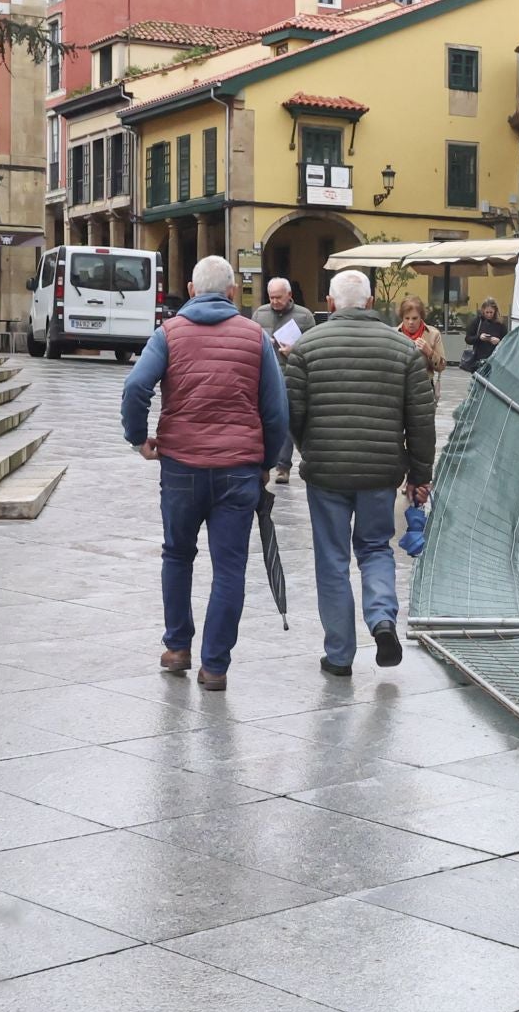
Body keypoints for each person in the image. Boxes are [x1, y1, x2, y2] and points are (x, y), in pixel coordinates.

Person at [121, 255, 288, 692]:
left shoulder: (169, 333)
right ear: (233, 292)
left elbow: (136, 386)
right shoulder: (256, 336)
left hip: (180, 465)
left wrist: (138, 437)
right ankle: (214, 667)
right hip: (238, 469)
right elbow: (276, 411)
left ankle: (177, 647)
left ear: (193, 291)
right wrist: (266, 462)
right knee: (229, 568)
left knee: (177, 555)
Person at [283, 269, 437, 677]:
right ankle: (382, 619)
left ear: (331, 303)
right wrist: (420, 474)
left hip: (326, 474)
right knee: (375, 548)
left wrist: (309, 448)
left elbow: (292, 414)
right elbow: (421, 420)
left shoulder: (305, 347)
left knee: (332, 560)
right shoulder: (402, 350)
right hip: (380, 472)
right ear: (371, 303)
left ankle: (338, 656)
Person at [251, 278, 314, 483]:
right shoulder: (260, 314)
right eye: (271, 297)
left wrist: (294, 351)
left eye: (279, 297)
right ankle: (263, 462)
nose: (275, 301)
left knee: (286, 421)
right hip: (266, 374)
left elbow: (312, 347)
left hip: (292, 374)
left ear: (289, 295)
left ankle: (283, 466)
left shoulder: (304, 316)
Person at [398, 296, 446, 389]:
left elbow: (441, 367)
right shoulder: (394, 333)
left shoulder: (433, 334)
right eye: (407, 318)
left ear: (421, 316)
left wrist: (429, 352)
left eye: (415, 318)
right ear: (402, 317)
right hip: (399, 387)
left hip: (424, 386)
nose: (410, 322)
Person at [462, 298, 506, 372]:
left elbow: (507, 341)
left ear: (495, 311)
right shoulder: (477, 321)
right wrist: (479, 337)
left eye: (491, 312)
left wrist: (499, 341)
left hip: (495, 360)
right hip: (479, 360)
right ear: (483, 311)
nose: (489, 315)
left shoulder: (500, 324)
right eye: (487, 312)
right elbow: (468, 339)